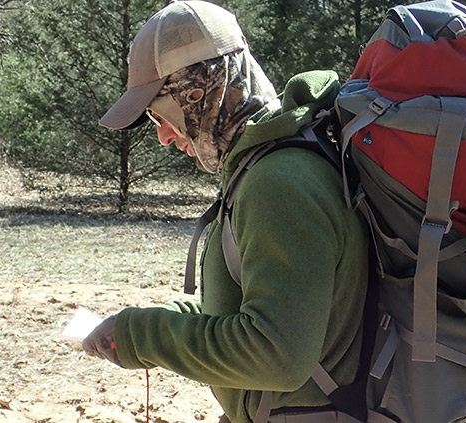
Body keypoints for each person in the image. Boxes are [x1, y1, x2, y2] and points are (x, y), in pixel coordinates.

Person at [82, 2, 369, 423]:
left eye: (159, 113)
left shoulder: (279, 182)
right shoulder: (267, 166)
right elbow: (263, 308)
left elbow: (276, 354)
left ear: (198, 90)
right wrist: (150, 321)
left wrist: (144, 336)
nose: (162, 135)